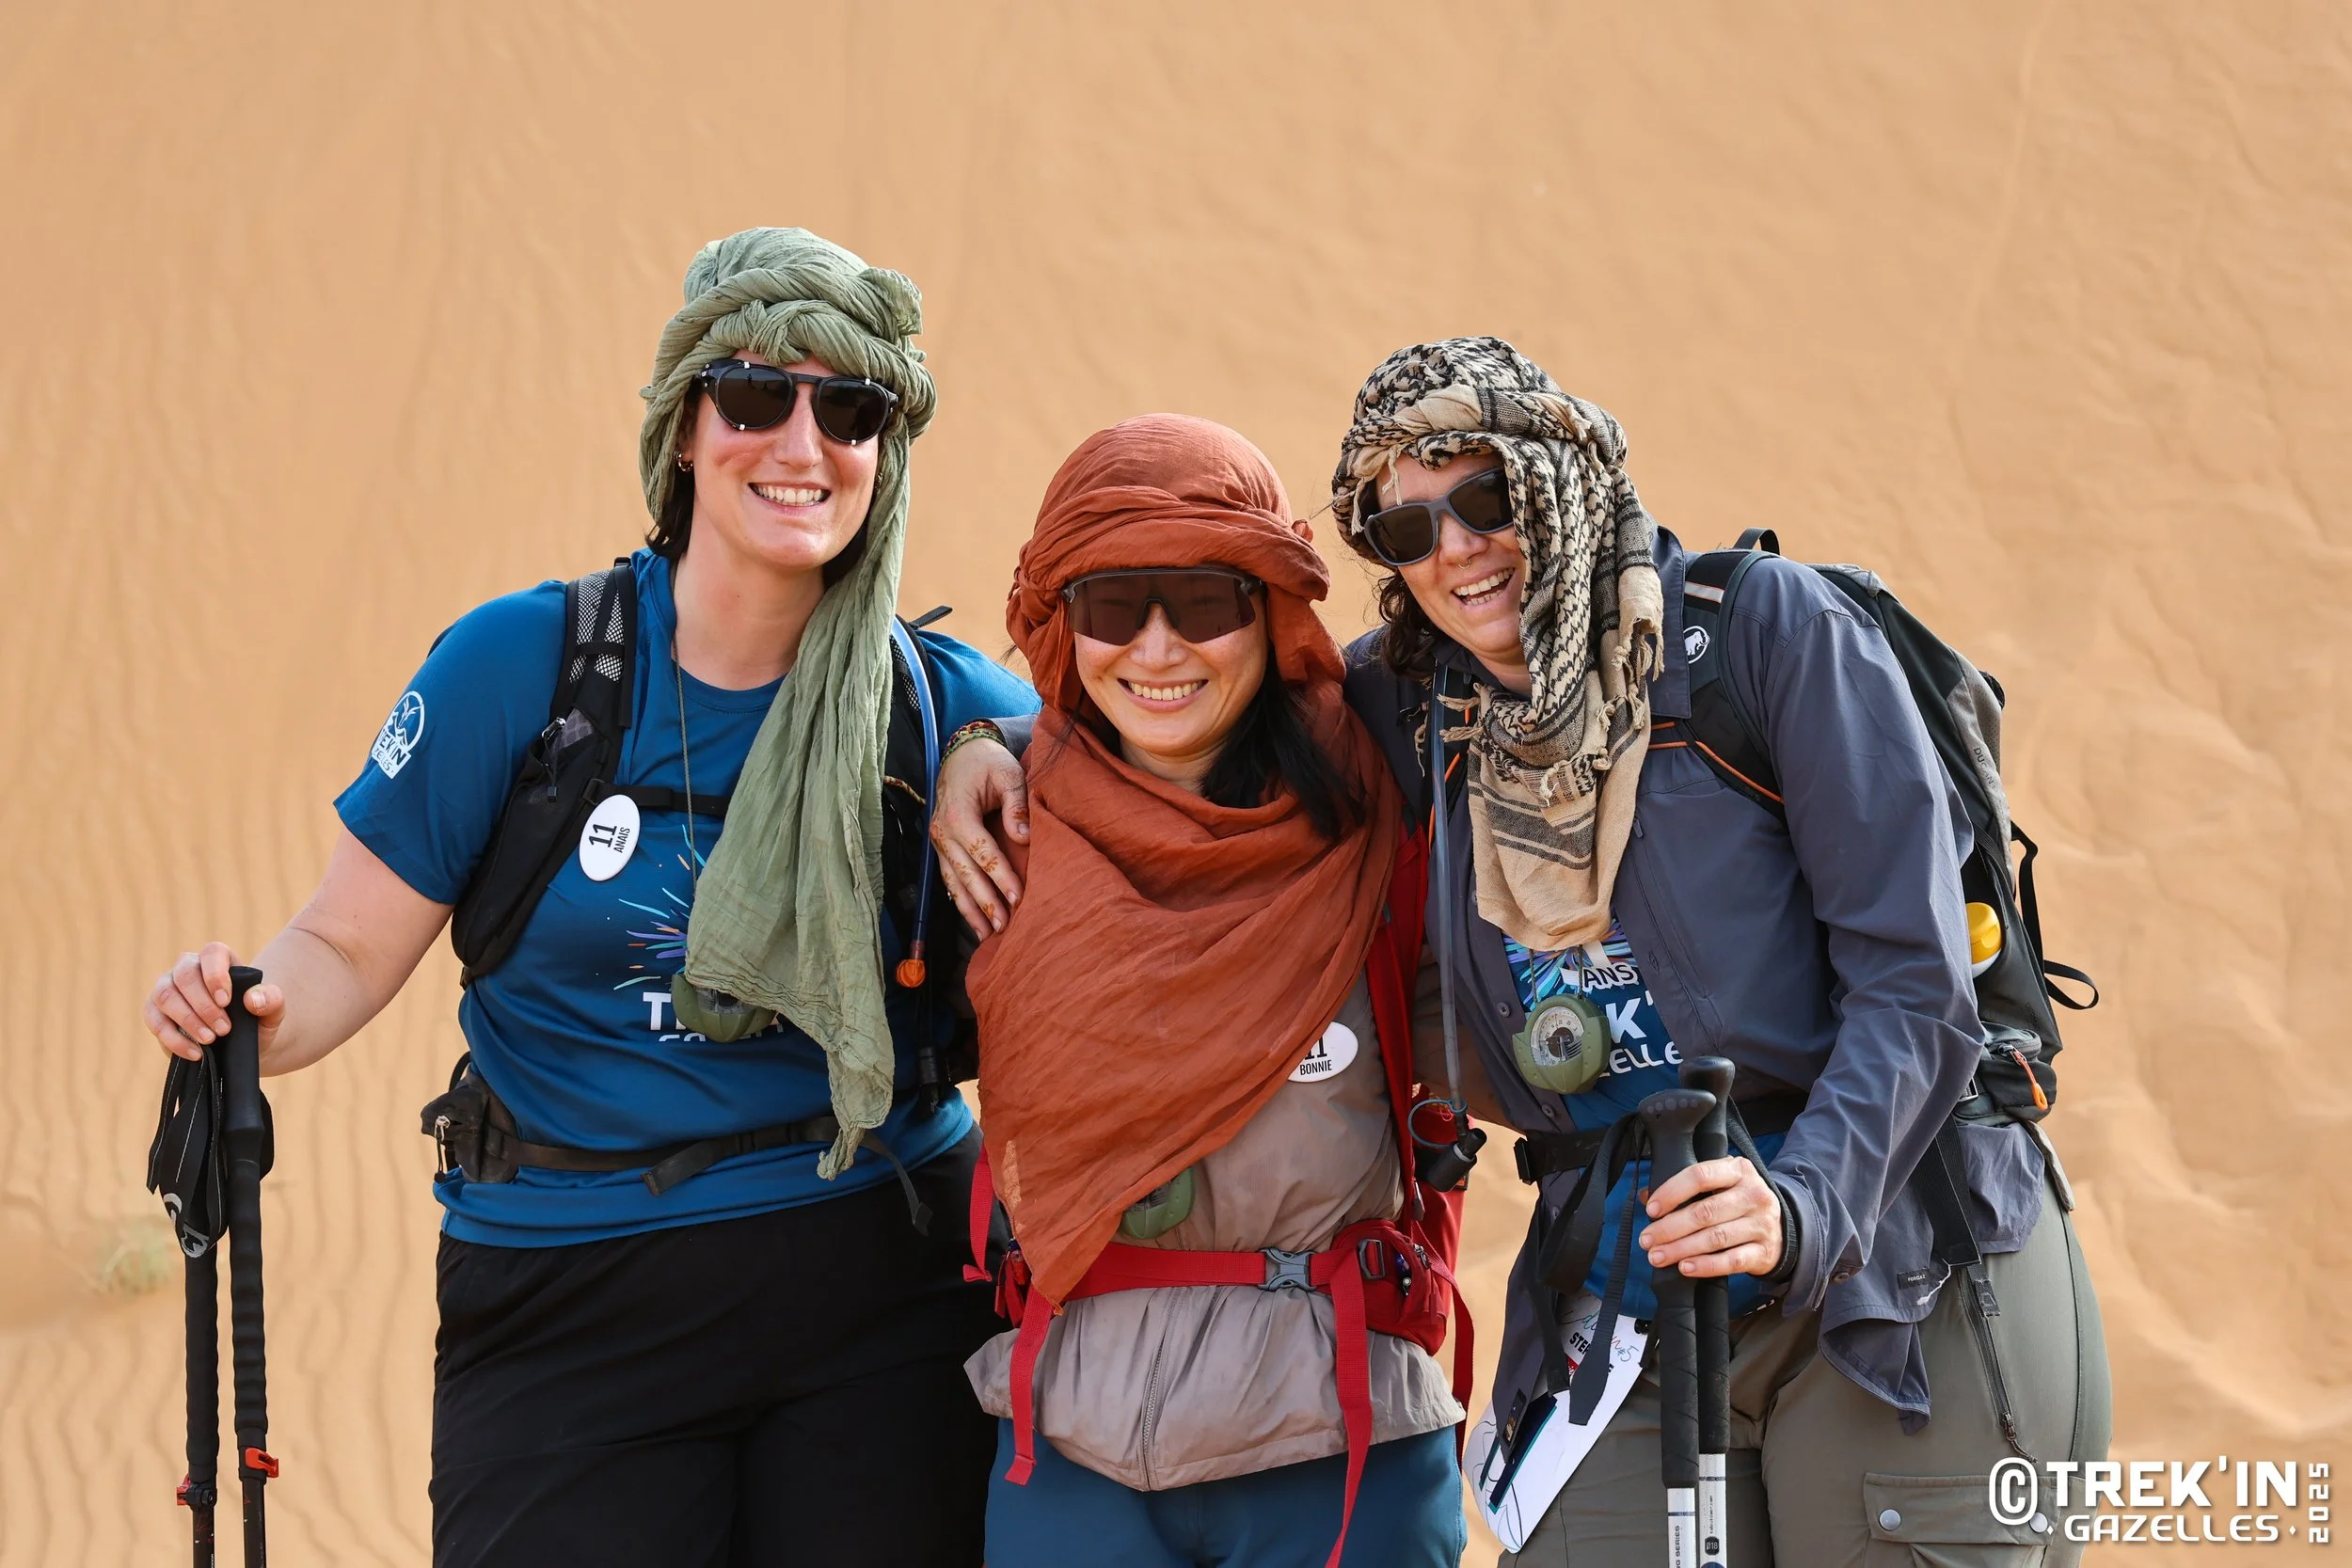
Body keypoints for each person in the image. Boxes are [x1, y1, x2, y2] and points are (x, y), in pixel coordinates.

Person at [931, 340, 2111, 1565]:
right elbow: (1173, 709)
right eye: (1405, 528)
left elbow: (1917, 986)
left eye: (1486, 496)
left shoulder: (1763, 639)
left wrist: (1802, 1205)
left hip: (1889, 1232)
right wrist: (987, 745)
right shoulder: (1401, 707)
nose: (1456, 548)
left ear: (1564, 473)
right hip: (1626, 1258)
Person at [141, 228, 1036, 1567]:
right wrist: (251, 1011)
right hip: (567, 1294)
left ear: (883, 451)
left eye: (850, 409)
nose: (801, 443)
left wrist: (999, 747)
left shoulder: (943, 704)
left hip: (884, 1273)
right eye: (755, 395)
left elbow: (1155, 783)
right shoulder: (526, 666)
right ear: (686, 426)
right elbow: (341, 942)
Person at [960, 414, 1470, 1568]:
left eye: (1201, 601)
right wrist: (972, 743)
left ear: (1270, 611)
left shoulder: (1384, 792)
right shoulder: (1003, 828)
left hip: (1340, 1439)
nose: (1156, 648)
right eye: (1110, 607)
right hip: (1070, 1442)